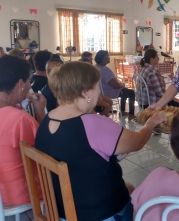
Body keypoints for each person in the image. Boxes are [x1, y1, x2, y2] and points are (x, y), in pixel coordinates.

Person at [35, 61, 166, 221]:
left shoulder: (47, 119)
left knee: (129, 187)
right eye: (97, 86)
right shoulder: (92, 123)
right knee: (144, 196)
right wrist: (151, 123)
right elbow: (138, 142)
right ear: (85, 92)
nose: (99, 92)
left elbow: (79, 153)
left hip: (62, 212)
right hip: (100, 214)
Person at [0, 55, 46, 206]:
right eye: (28, 81)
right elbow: (47, 149)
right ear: (20, 84)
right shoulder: (19, 119)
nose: (28, 87)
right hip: (20, 196)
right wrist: (40, 111)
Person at [94, 50, 136, 118]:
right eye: (107, 56)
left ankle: (122, 111)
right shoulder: (104, 70)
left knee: (124, 90)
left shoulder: (95, 67)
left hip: (100, 92)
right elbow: (115, 85)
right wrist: (122, 84)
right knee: (131, 93)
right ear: (102, 58)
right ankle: (131, 114)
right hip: (109, 92)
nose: (109, 58)